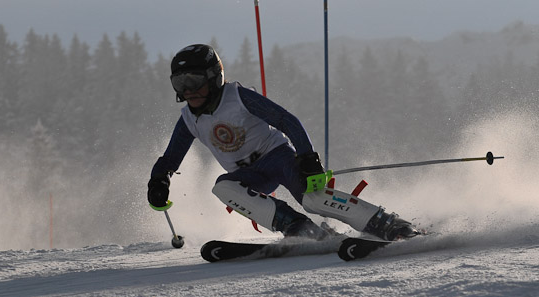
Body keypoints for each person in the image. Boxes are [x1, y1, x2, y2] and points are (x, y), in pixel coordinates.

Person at [148, 44, 418, 241]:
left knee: (313, 199)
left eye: (193, 80)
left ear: (213, 77)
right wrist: (159, 180)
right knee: (224, 188)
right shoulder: (189, 119)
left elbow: (286, 120)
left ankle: (388, 224)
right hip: (250, 175)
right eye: (179, 83)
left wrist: (307, 158)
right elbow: (170, 158)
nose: (188, 91)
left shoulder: (238, 97)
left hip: (278, 158)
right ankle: (301, 229)